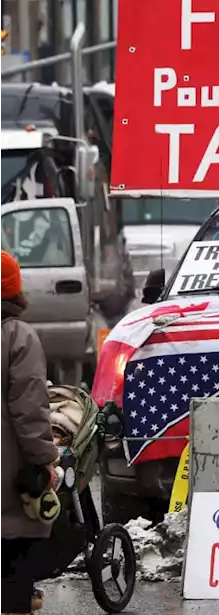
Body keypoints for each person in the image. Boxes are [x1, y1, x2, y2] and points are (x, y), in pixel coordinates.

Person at [0, 251, 59, 615]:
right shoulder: (19, 338)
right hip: (8, 477)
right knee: (11, 569)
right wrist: (45, 461)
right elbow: (30, 410)